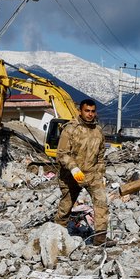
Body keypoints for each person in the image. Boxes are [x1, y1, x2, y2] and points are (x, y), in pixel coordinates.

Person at [55, 98, 109, 245]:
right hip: (71, 175)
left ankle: (100, 238)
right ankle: (57, 234)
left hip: (92, 174)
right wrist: (73, 167)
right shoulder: (70, 129)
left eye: (92, 111)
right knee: (66, 205)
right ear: (80, 111)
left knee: (102, 202)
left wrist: (101, 174)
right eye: (87, 111)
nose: (90, 114)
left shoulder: (98, 131)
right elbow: (61, 153)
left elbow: (100, 155)